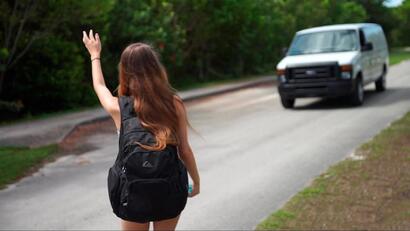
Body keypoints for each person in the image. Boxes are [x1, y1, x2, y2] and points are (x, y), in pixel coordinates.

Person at [82, 30, 200, 231]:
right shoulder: (174, 104)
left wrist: (95, 54)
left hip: (133, 194)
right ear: (155, 68)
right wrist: (196, 183)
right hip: (169, 189)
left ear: (125, 72)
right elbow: (185, 150)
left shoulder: (118, 107)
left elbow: (99, 85)